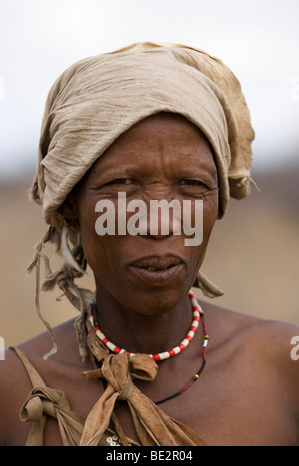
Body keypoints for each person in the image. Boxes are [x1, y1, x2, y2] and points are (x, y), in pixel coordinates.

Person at [0, 42, 298, 447]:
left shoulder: (285, 366)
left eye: (191, 186)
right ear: (71, 202)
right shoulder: (11, 388)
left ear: (219, 204)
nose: (159, 223)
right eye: (122, 185)